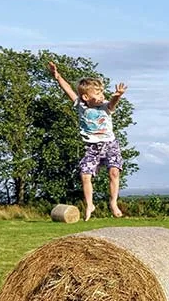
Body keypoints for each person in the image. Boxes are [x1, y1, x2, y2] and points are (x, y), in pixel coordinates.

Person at [48, 61, 127, 221]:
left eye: (102, 93)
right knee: (85, 175)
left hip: (110, 144)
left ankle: (113, 202)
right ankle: (90, 204)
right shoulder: (80, 105)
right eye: (98, 94)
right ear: (86, 97)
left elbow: (113, 102)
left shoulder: (105, 107)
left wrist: (117, 96)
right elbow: (68, 89)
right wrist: (57, 76)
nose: (102, 96)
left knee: (114, 172)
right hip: (92, 147)